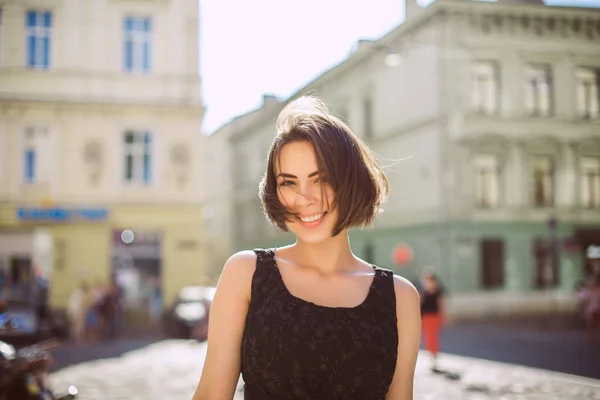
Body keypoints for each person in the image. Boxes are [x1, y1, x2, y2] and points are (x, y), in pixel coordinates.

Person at [193, 96, 421, 399]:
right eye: (289, 182)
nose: (305, 197)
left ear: (350, 182)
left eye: (321, 179)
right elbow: (211, 395)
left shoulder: (400, 298)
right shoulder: (246, 274)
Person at [418, 267, 449, 372]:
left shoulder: (438, 291)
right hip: (425, 318)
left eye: (429, 280)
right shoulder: (423, 292)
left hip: (434, 317)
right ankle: (431, 356)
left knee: (433, 338)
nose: (427, 283)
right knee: (427, 338)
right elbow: (419, 304)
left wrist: (444, 317)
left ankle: (434, 357)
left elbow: (442, 305)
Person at [577, 273, 600, 346]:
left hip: (592, 308)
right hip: (596, 308)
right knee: (596, 324)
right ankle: (593, 339)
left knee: (591, 325)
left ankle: (591, 339)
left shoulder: (591, 290)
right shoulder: (596, 290)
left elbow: (584, 299)